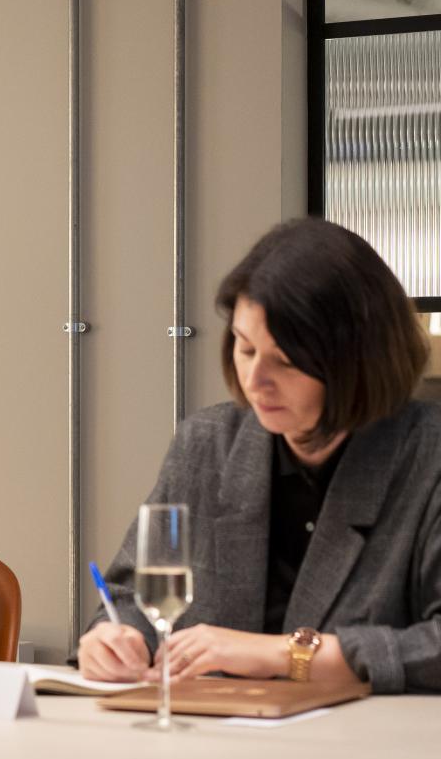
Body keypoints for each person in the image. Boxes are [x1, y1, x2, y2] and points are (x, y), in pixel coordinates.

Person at [78, 218, 440, 693]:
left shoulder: (427, 456)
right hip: (212, 740)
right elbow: (130, 599)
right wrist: (115, 639)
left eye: (286, 362)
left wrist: (285, 654)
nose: (255, 380)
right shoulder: (207, 444)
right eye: (246, 350)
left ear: (359, 362)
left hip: (367, 750)